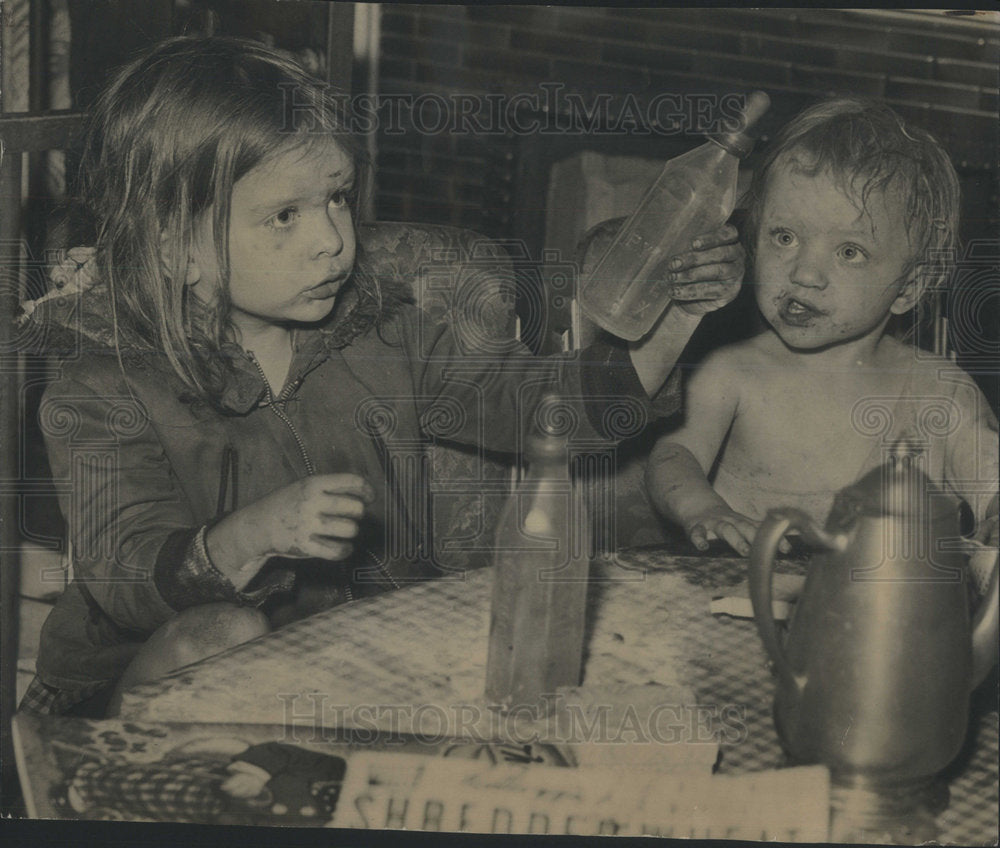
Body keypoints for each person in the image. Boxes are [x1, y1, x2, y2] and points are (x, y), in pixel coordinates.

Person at [19, 37, 745, 717]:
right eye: (284, 217)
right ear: (178, 248)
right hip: (140, 685)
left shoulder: (386, 329)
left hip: (338, 668)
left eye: (336, 198)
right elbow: (124, 576)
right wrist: (253, 535)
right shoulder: (104, 383)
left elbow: (542, 413)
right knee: (224, 631)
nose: (332, 240)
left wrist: (674, 317)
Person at [646, 98, 998, 560]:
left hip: (878, 617)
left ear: (909, 286)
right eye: (784, 237)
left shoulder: (942, 392)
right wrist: (703, 509)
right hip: (733, 592)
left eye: (849, 251)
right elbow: (672, 458)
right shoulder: (731, 372)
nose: (804, 273)